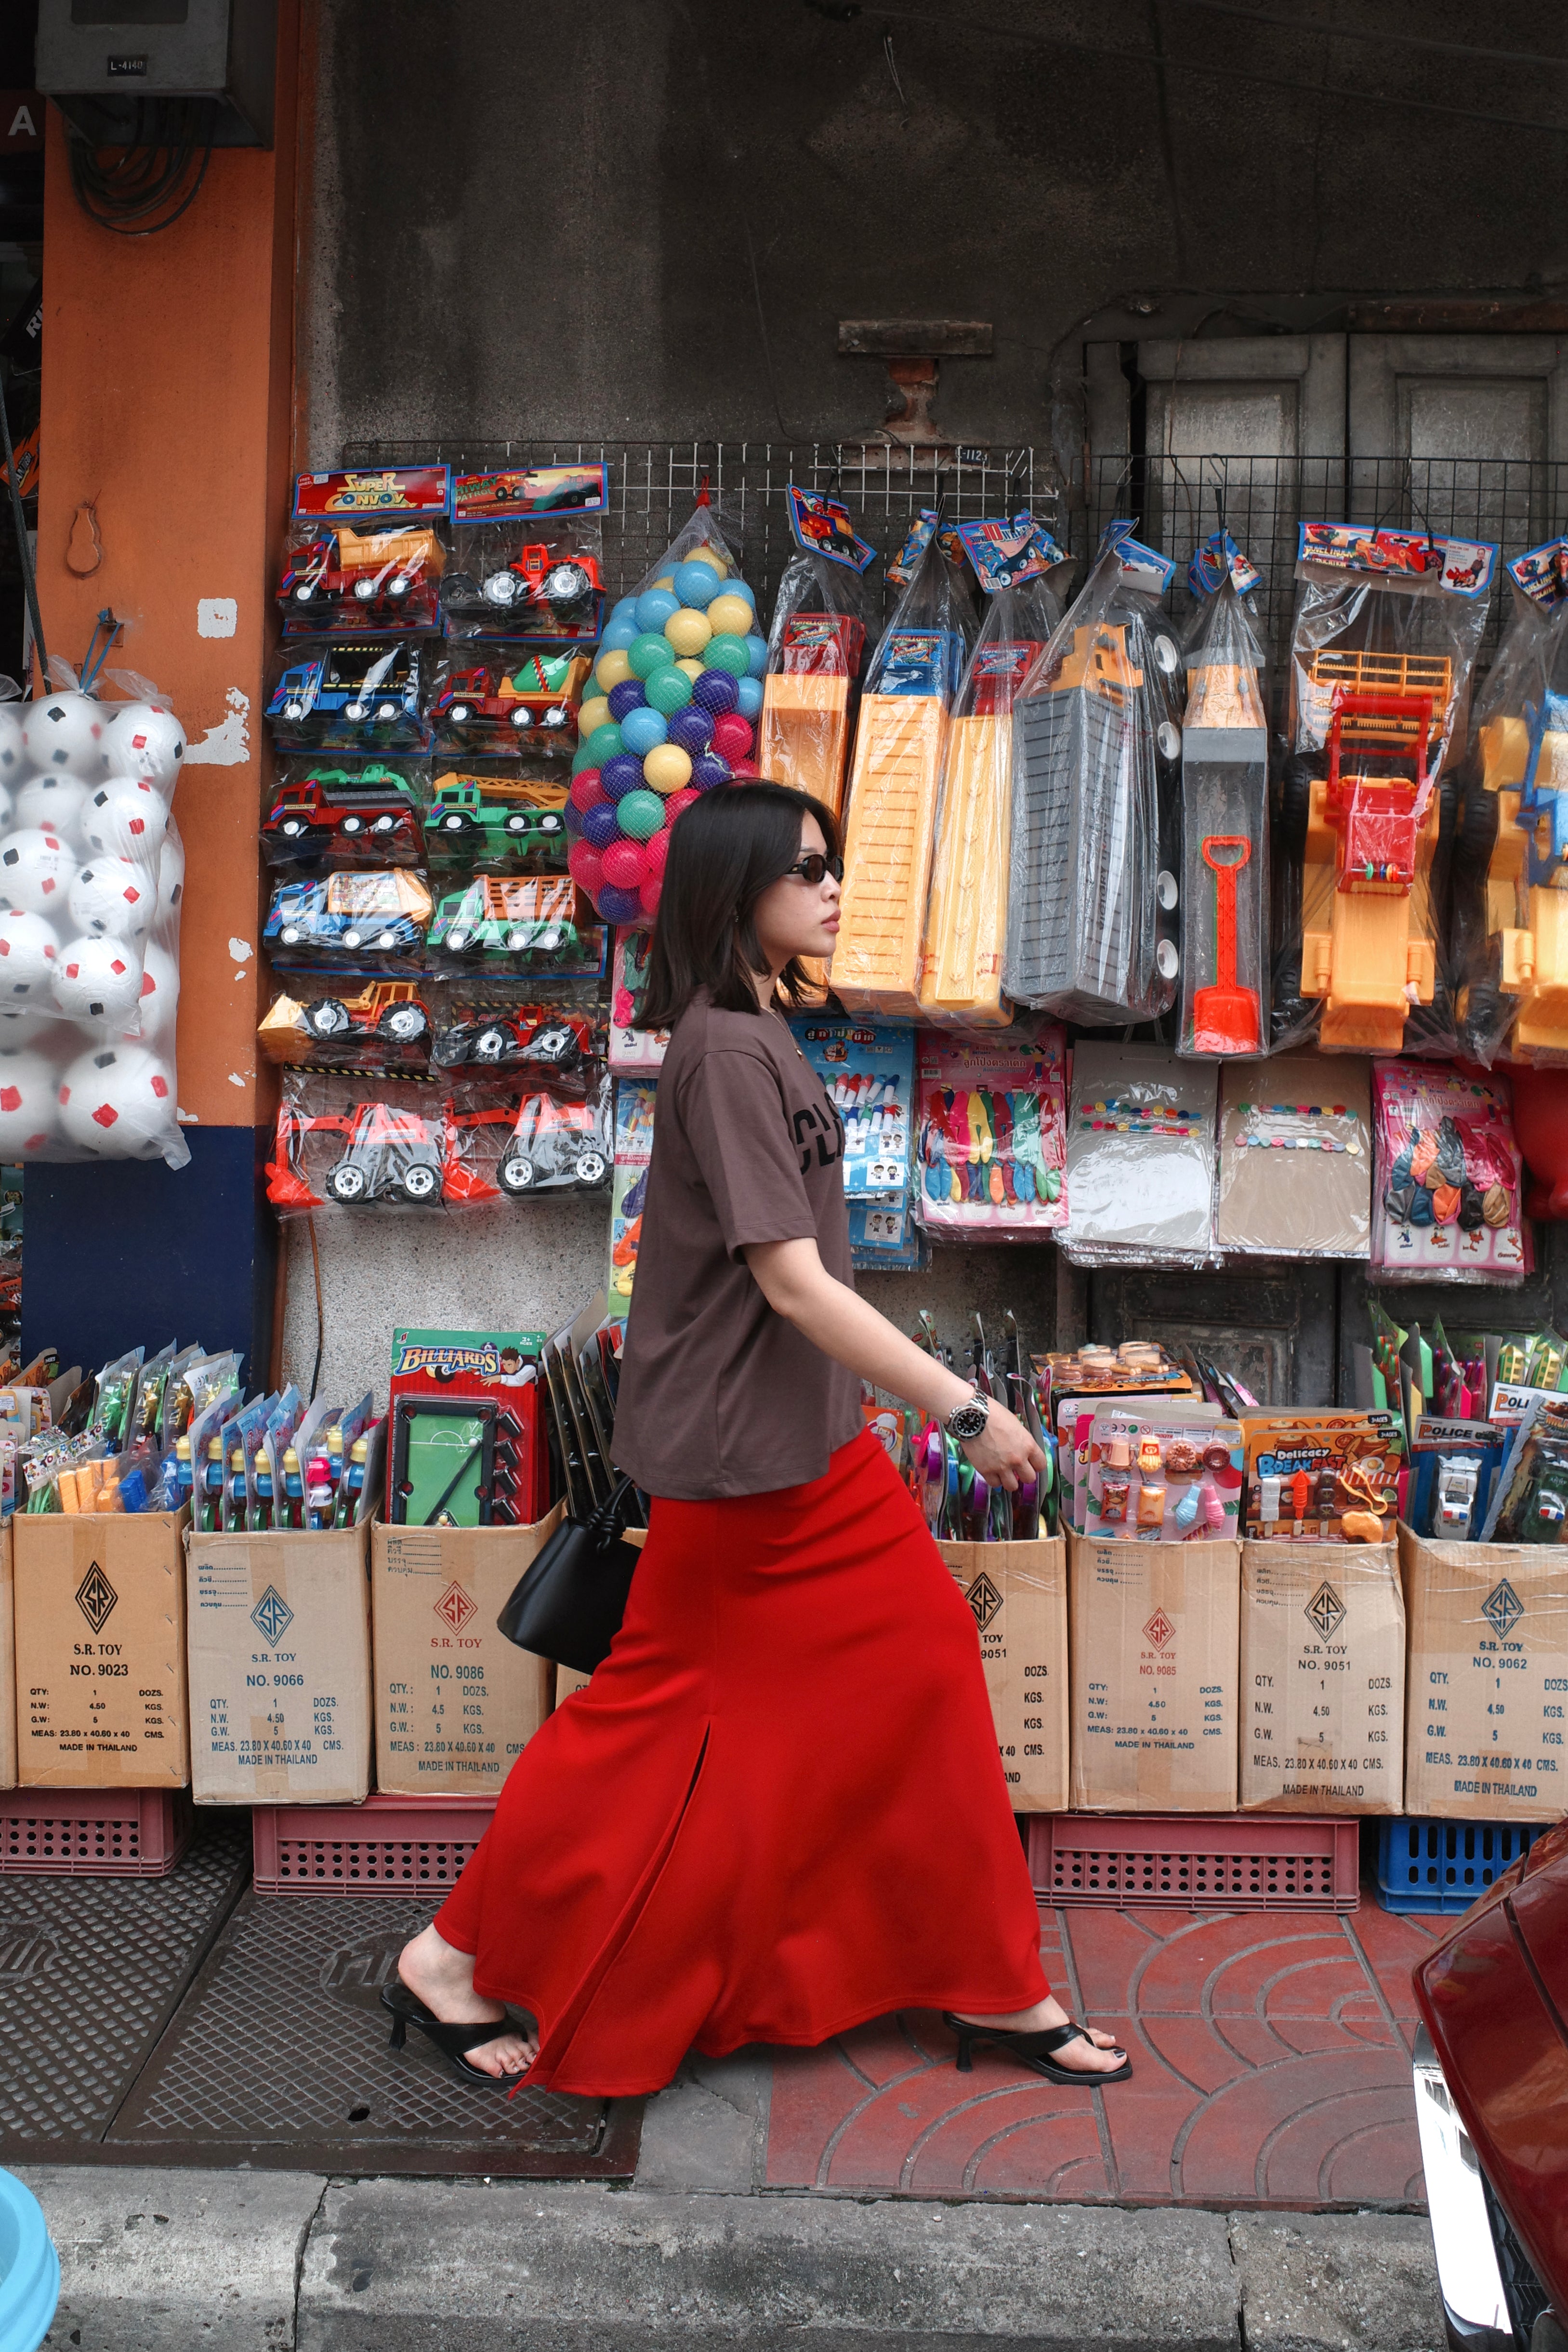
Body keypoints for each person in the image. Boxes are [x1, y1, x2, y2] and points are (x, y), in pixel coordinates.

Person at [387, 782, 1129, 2094]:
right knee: (657, 1713)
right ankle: (450, 1952)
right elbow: (790, 1280)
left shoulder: (755, 1030)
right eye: (807, 869)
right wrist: (963, 1406)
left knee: (889, 1673)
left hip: (789, 1446)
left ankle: (983, 1979)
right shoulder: (729, 1050)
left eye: (833, 863)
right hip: (747, 1462)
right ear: (740, 895)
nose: (833, 886)